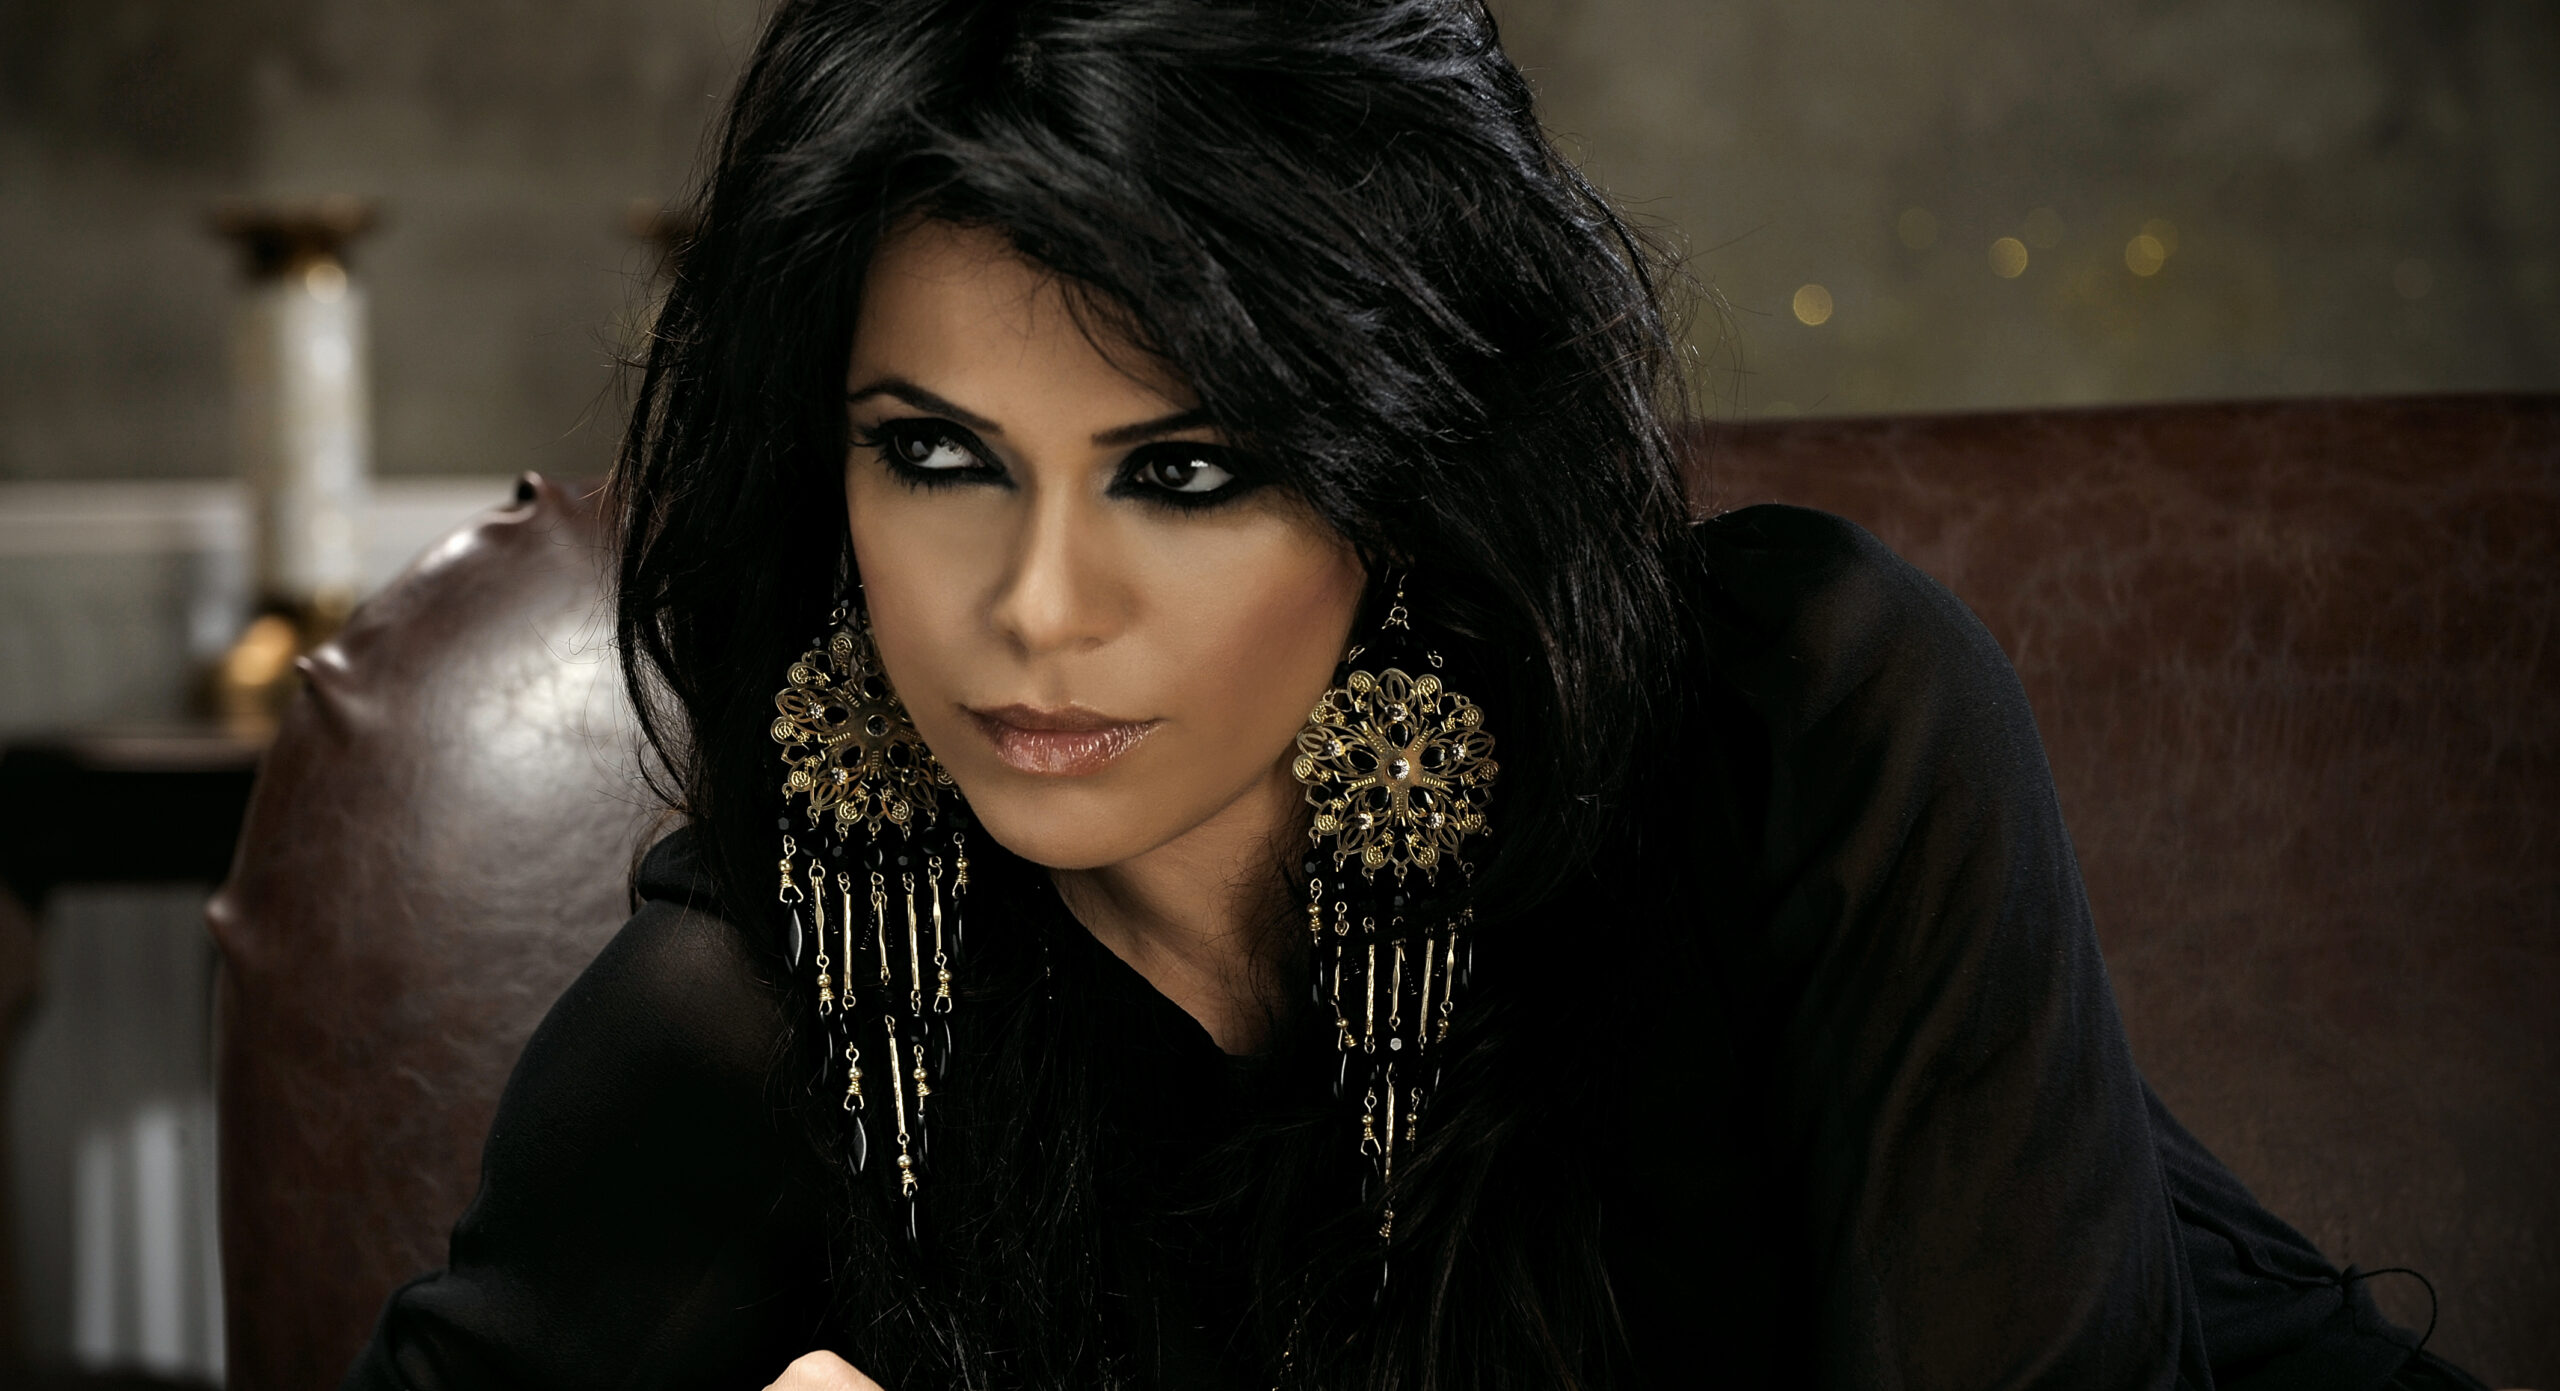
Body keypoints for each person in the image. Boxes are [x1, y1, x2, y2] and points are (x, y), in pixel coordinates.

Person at [342, 2, 2488, 1388]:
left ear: (1409, 471)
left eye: (1188, 474)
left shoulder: (1798, 730)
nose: (1036, 610)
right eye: (934, 454)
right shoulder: (755, 1016)